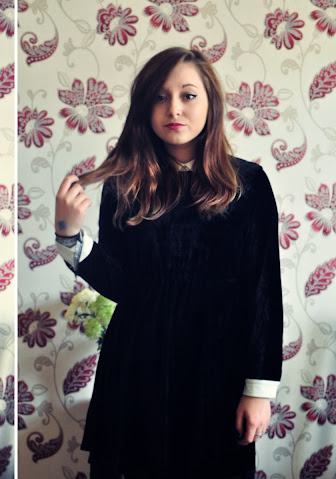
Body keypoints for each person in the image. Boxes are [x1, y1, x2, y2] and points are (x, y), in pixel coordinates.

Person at [55, 47, 282, 479]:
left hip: (217, 370)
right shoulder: (124, 185)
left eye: (188, 95)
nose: (174, 108)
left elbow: (263, 291)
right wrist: (69, 237)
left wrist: (259, 389)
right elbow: (121, 285)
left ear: (211, 103)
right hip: (136, 368)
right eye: (160, 97)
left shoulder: (247, 184)